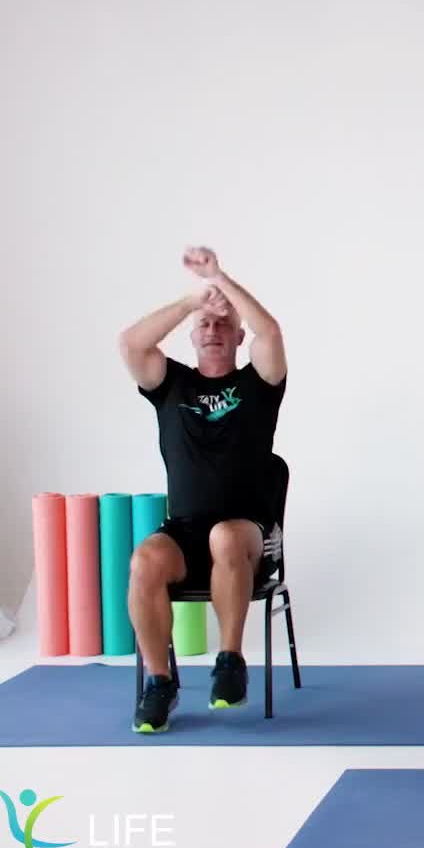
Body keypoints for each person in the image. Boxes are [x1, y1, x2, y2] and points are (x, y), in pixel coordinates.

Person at [117, 247, 287, 733]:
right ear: (192, 336)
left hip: (245, 533)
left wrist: (221, 281)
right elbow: (131, 344)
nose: (213, 331)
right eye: (205, 326)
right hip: (185, 532)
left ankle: (230, 661)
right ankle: (160, 683)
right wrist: (193, 301)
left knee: (225, 537)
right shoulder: (172, 385)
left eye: (223, 325)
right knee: (144, 561)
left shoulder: (259, 384)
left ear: (238, 336)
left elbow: (271, 333)